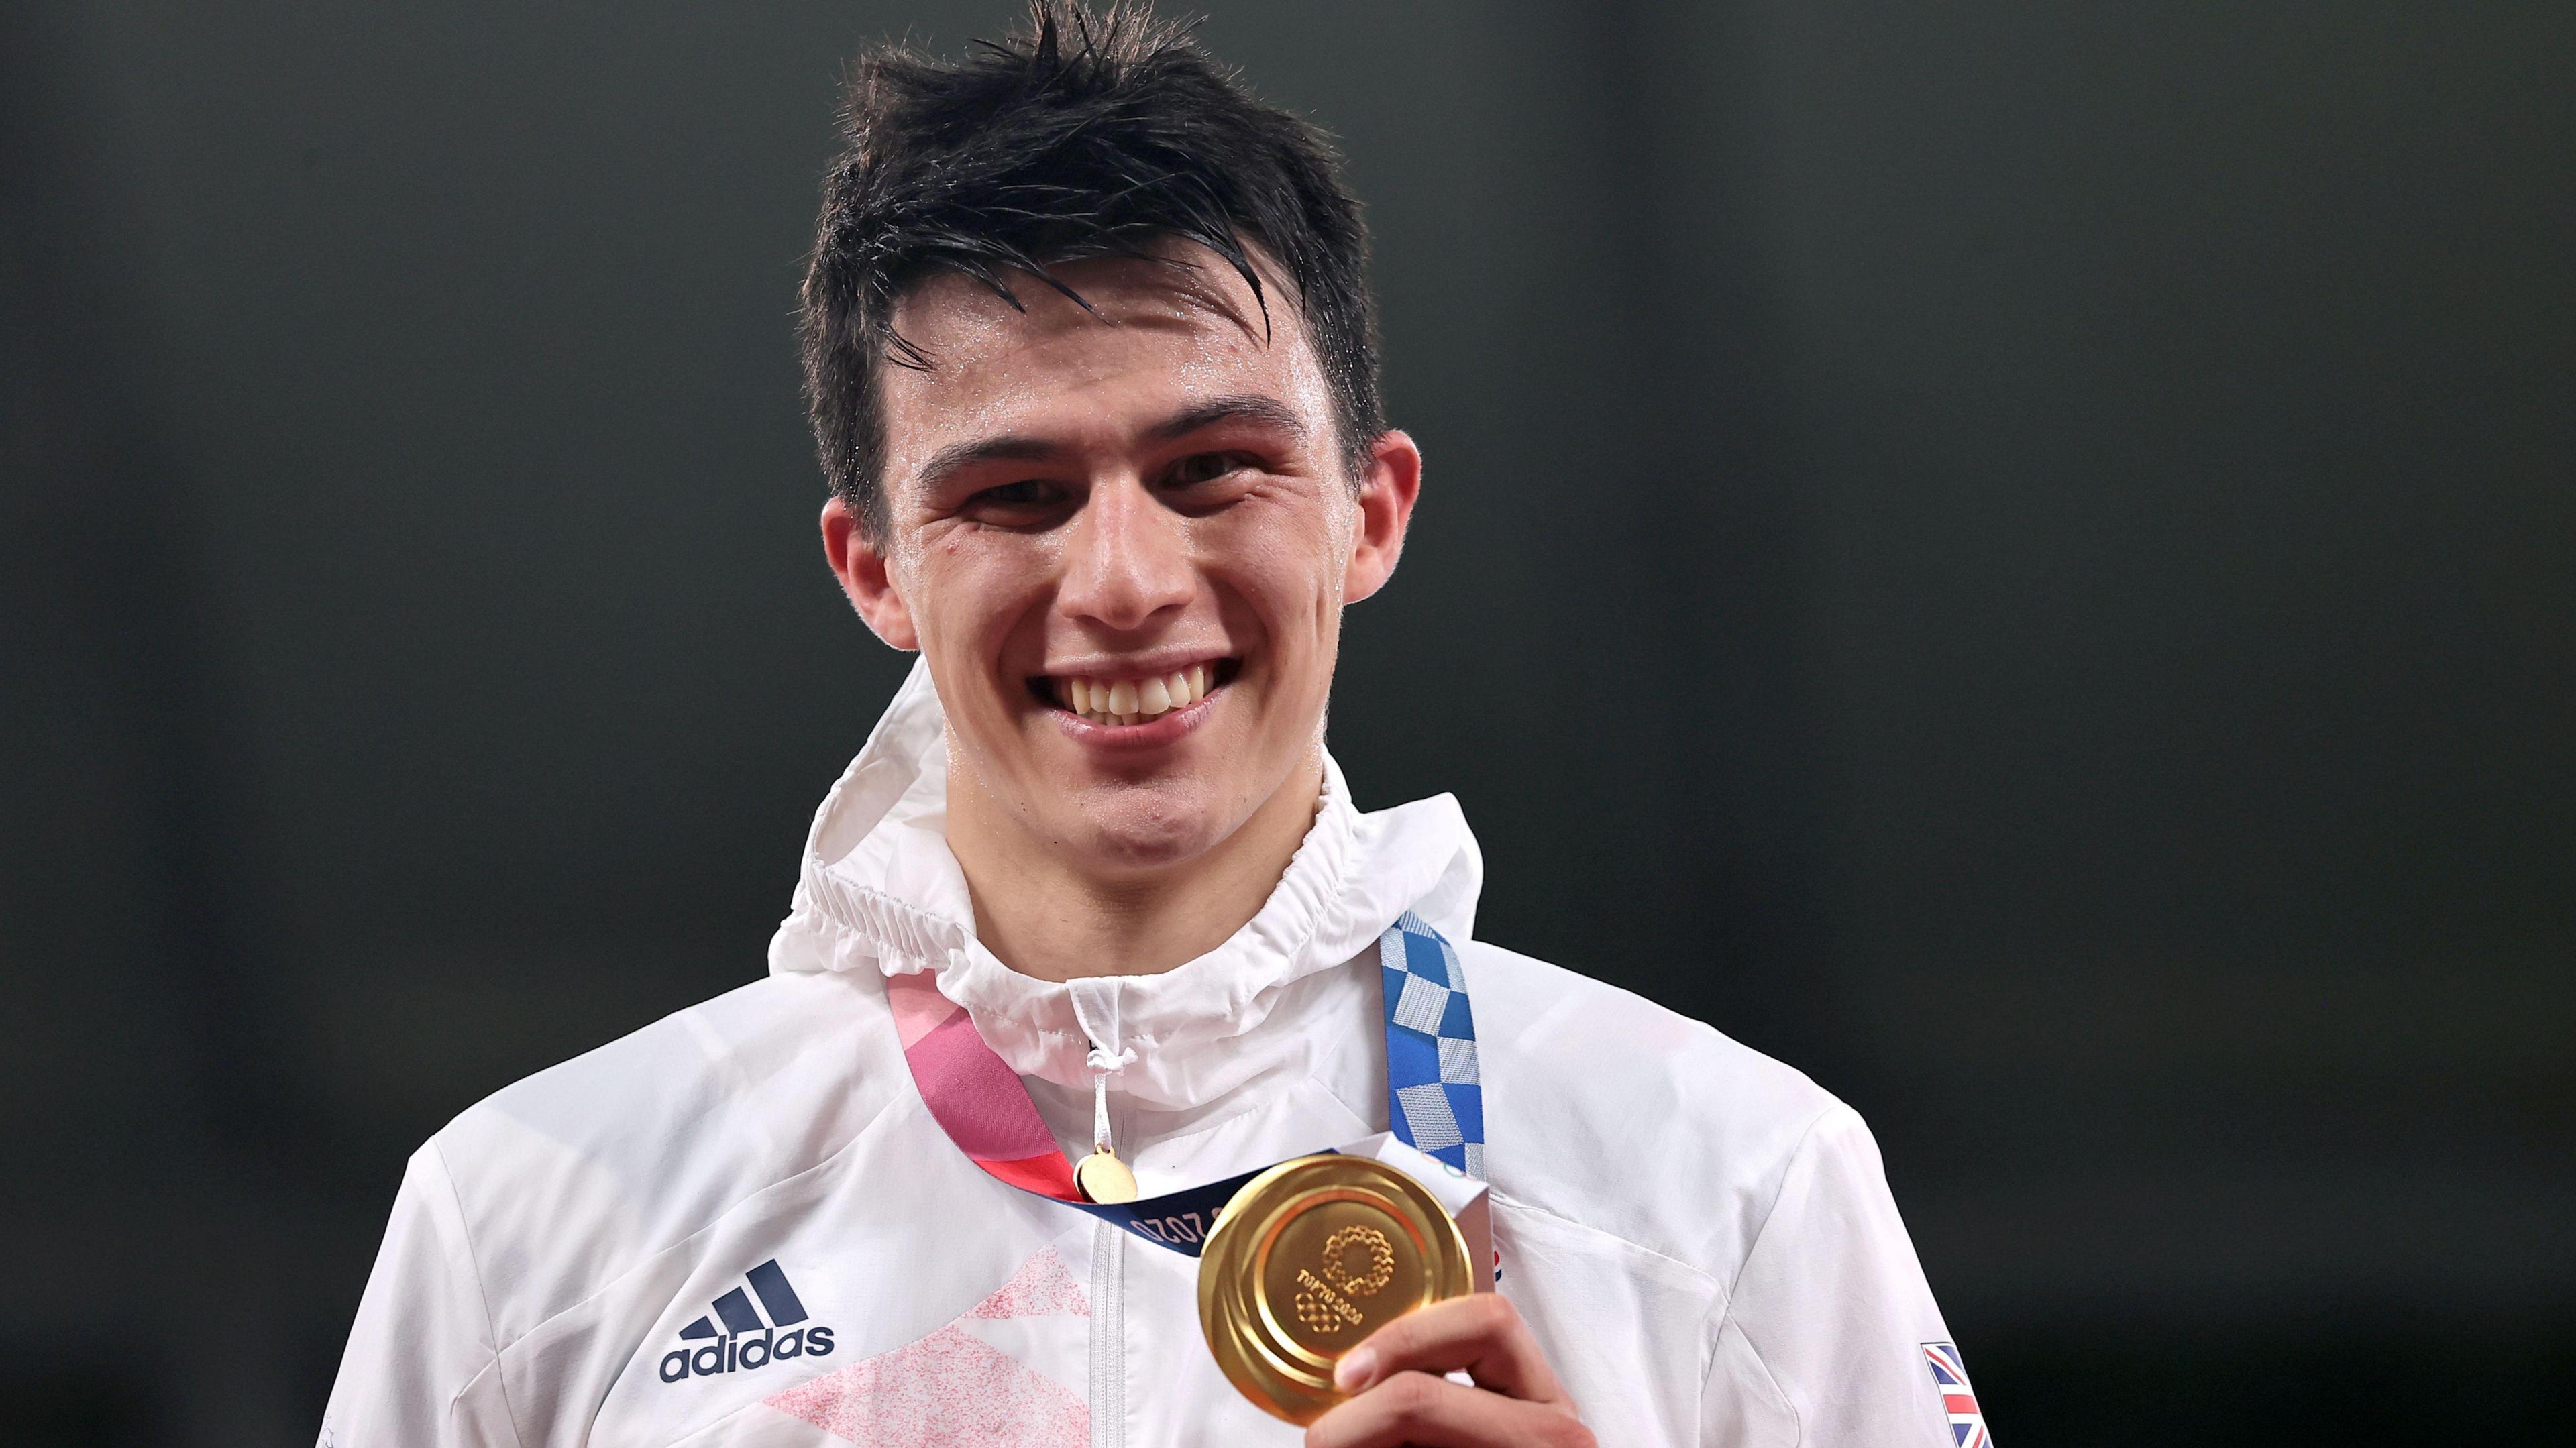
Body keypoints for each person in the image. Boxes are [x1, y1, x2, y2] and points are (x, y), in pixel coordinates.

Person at [322, 5, 1984, 1445]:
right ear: (875, 570)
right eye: (1018, 494)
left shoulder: (1729, 1187)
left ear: (1368, 512)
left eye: (1212, 471)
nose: (1122, 581)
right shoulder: (538, 1217)